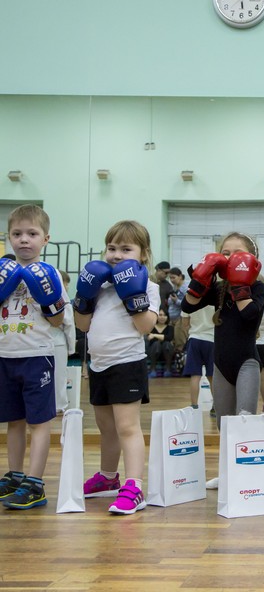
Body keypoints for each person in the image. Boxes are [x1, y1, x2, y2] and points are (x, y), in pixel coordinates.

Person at [74, 220, 159, 515]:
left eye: (126, 249)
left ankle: (134, 487)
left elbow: (146, 326)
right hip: (99, 365)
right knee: (106, 428)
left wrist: (131, 295)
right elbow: (81, 325)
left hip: (127, 364)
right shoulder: (99, 285)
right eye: (112, 248)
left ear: (143, 254)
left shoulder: (149, 285)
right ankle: (108, 478)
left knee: (127, 427)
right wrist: (84, 299)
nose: (116, 255)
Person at [182, 232, 264, 488]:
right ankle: (228, 472)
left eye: (237, 253)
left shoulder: (258, 287)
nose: (230, 258)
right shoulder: (218, 289)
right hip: (221, 364)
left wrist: (241, 281)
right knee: (224, 422)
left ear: (252, 258)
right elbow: (187, 306)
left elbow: (250, 317)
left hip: (247, 363)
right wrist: (201, 278)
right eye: (225, 253)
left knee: (244, 417)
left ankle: (248, 474)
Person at [0, 205, 69, 509]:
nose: (24, 240)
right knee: (13, 420)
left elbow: (58, 322)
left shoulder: (50, 273)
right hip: (5, 356)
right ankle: (15, 475)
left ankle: (36, 482)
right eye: (17, 234)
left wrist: (49, 300)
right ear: (8, 238)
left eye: (32, 234)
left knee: (39, 422)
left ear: (46, 239)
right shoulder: (2, 270)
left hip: (37, 356)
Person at [52, 269, 77, 412]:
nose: (66, 287)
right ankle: (59, 407)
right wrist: (71, 348)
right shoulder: (62, 298)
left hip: (39, 341)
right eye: (65, 283)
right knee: (59, 378)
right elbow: (68, 324)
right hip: (57, 341)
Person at [181, 305, 215, 408]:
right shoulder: (217, 296)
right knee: (212, 376)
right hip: (212, 339)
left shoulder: (189, 297)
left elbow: (185, 323)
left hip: (195, 338)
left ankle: (194, 406)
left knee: (195, 375)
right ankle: (216, 406)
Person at [146, 307, 175, 377]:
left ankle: (168, 369)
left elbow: (169, 338)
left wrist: (154, 335)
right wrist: (162, 337)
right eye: (160, 315)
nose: (162, 317)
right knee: (156, 344)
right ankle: (152, 369)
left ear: (167, 317)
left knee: (167, 344)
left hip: (167, 353)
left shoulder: (170, 328)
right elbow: (150, 338)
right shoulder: (151, 327)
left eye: (164, 315)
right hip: (153, 353)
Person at [167, 267, 189, 351]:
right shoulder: (175, 287)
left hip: (181, 318)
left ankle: (181, 362)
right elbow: (170, 303)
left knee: (180, 343)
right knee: (172, 342)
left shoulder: (186, 287)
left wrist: (176, 300)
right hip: (172, 318)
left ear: (180, 276)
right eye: (170, 278)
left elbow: (187, 304)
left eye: (173, 277)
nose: (172, 280)